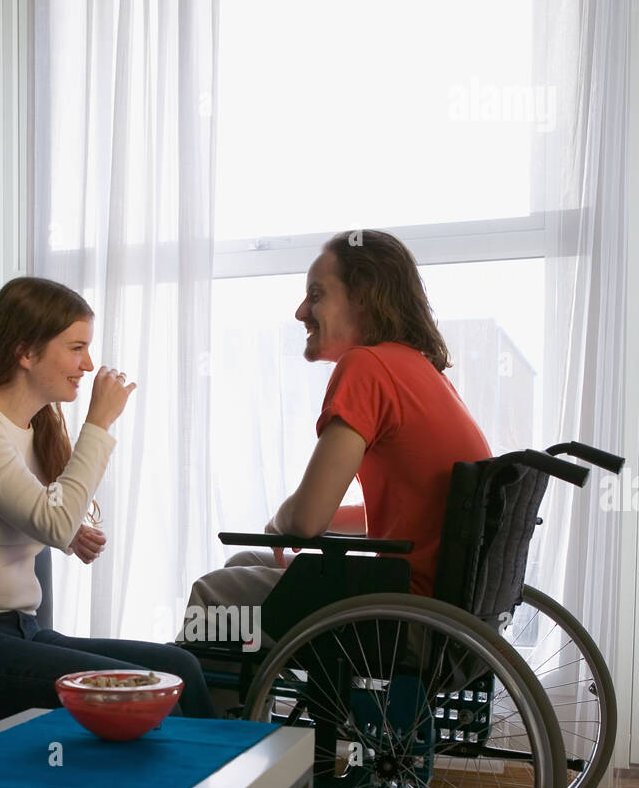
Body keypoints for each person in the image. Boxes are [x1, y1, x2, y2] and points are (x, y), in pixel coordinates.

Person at [0, 276, 216, 724]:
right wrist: (98, 422)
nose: (89, 363)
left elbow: (36, 511)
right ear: (25, 352)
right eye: (76, 347)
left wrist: (72, 529)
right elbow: (51, 521)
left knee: (181, 667)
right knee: (139, 687)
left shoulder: (34, 424)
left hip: (15, 627)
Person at [181, 228, 493, 627]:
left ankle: (203, 689)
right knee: (243, 562)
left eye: (316, 295)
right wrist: (322, 515)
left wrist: (281, 518)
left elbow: (305, 522)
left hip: (406, 611)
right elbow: (411, 510)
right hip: (448, 607)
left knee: (214, 596)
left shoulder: (367, 366)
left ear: (362, 297)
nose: (299, 313)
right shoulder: (421, 371)